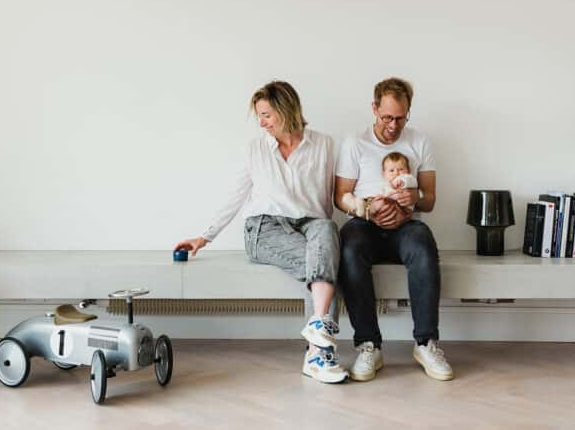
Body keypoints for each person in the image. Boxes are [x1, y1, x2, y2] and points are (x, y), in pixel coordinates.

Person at [174, 81, 347, 384]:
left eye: (267, 115)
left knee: (326, 233)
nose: (262, 123)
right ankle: (318, 352)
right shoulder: (255, 148)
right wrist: (205, 236)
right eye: (260, 116)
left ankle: (316, 339)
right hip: (265, 228)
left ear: (285, 109)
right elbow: (237, 194)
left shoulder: (324, 144)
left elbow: (332, 199)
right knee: (325, 264)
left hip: (311, 226)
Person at [334, 77, 453, 382]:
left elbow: (430, 200)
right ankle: (368, 345)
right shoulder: (355, 143)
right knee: (348, 246)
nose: (393, 125)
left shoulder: (420, 142)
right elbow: (340, 196)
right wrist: (366, 208)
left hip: (407, 225)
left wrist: (414, 199)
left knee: (423, 243)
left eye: (401, 118)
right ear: (374, 109)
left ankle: (426, 343)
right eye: (387, 117)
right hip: (365, 223)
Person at [341, 152, 418, 218]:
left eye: (401, 169)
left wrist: (402, 181)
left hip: (402, 210)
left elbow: (411, 181)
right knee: (376, 201)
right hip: (384, 207)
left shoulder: (408, 178)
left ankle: (360, 206)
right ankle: (356, 204)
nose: (396, 173)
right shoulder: (386, 184)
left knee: (380, 203)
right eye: (391, 170)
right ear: (384, 174)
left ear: (408, 171)